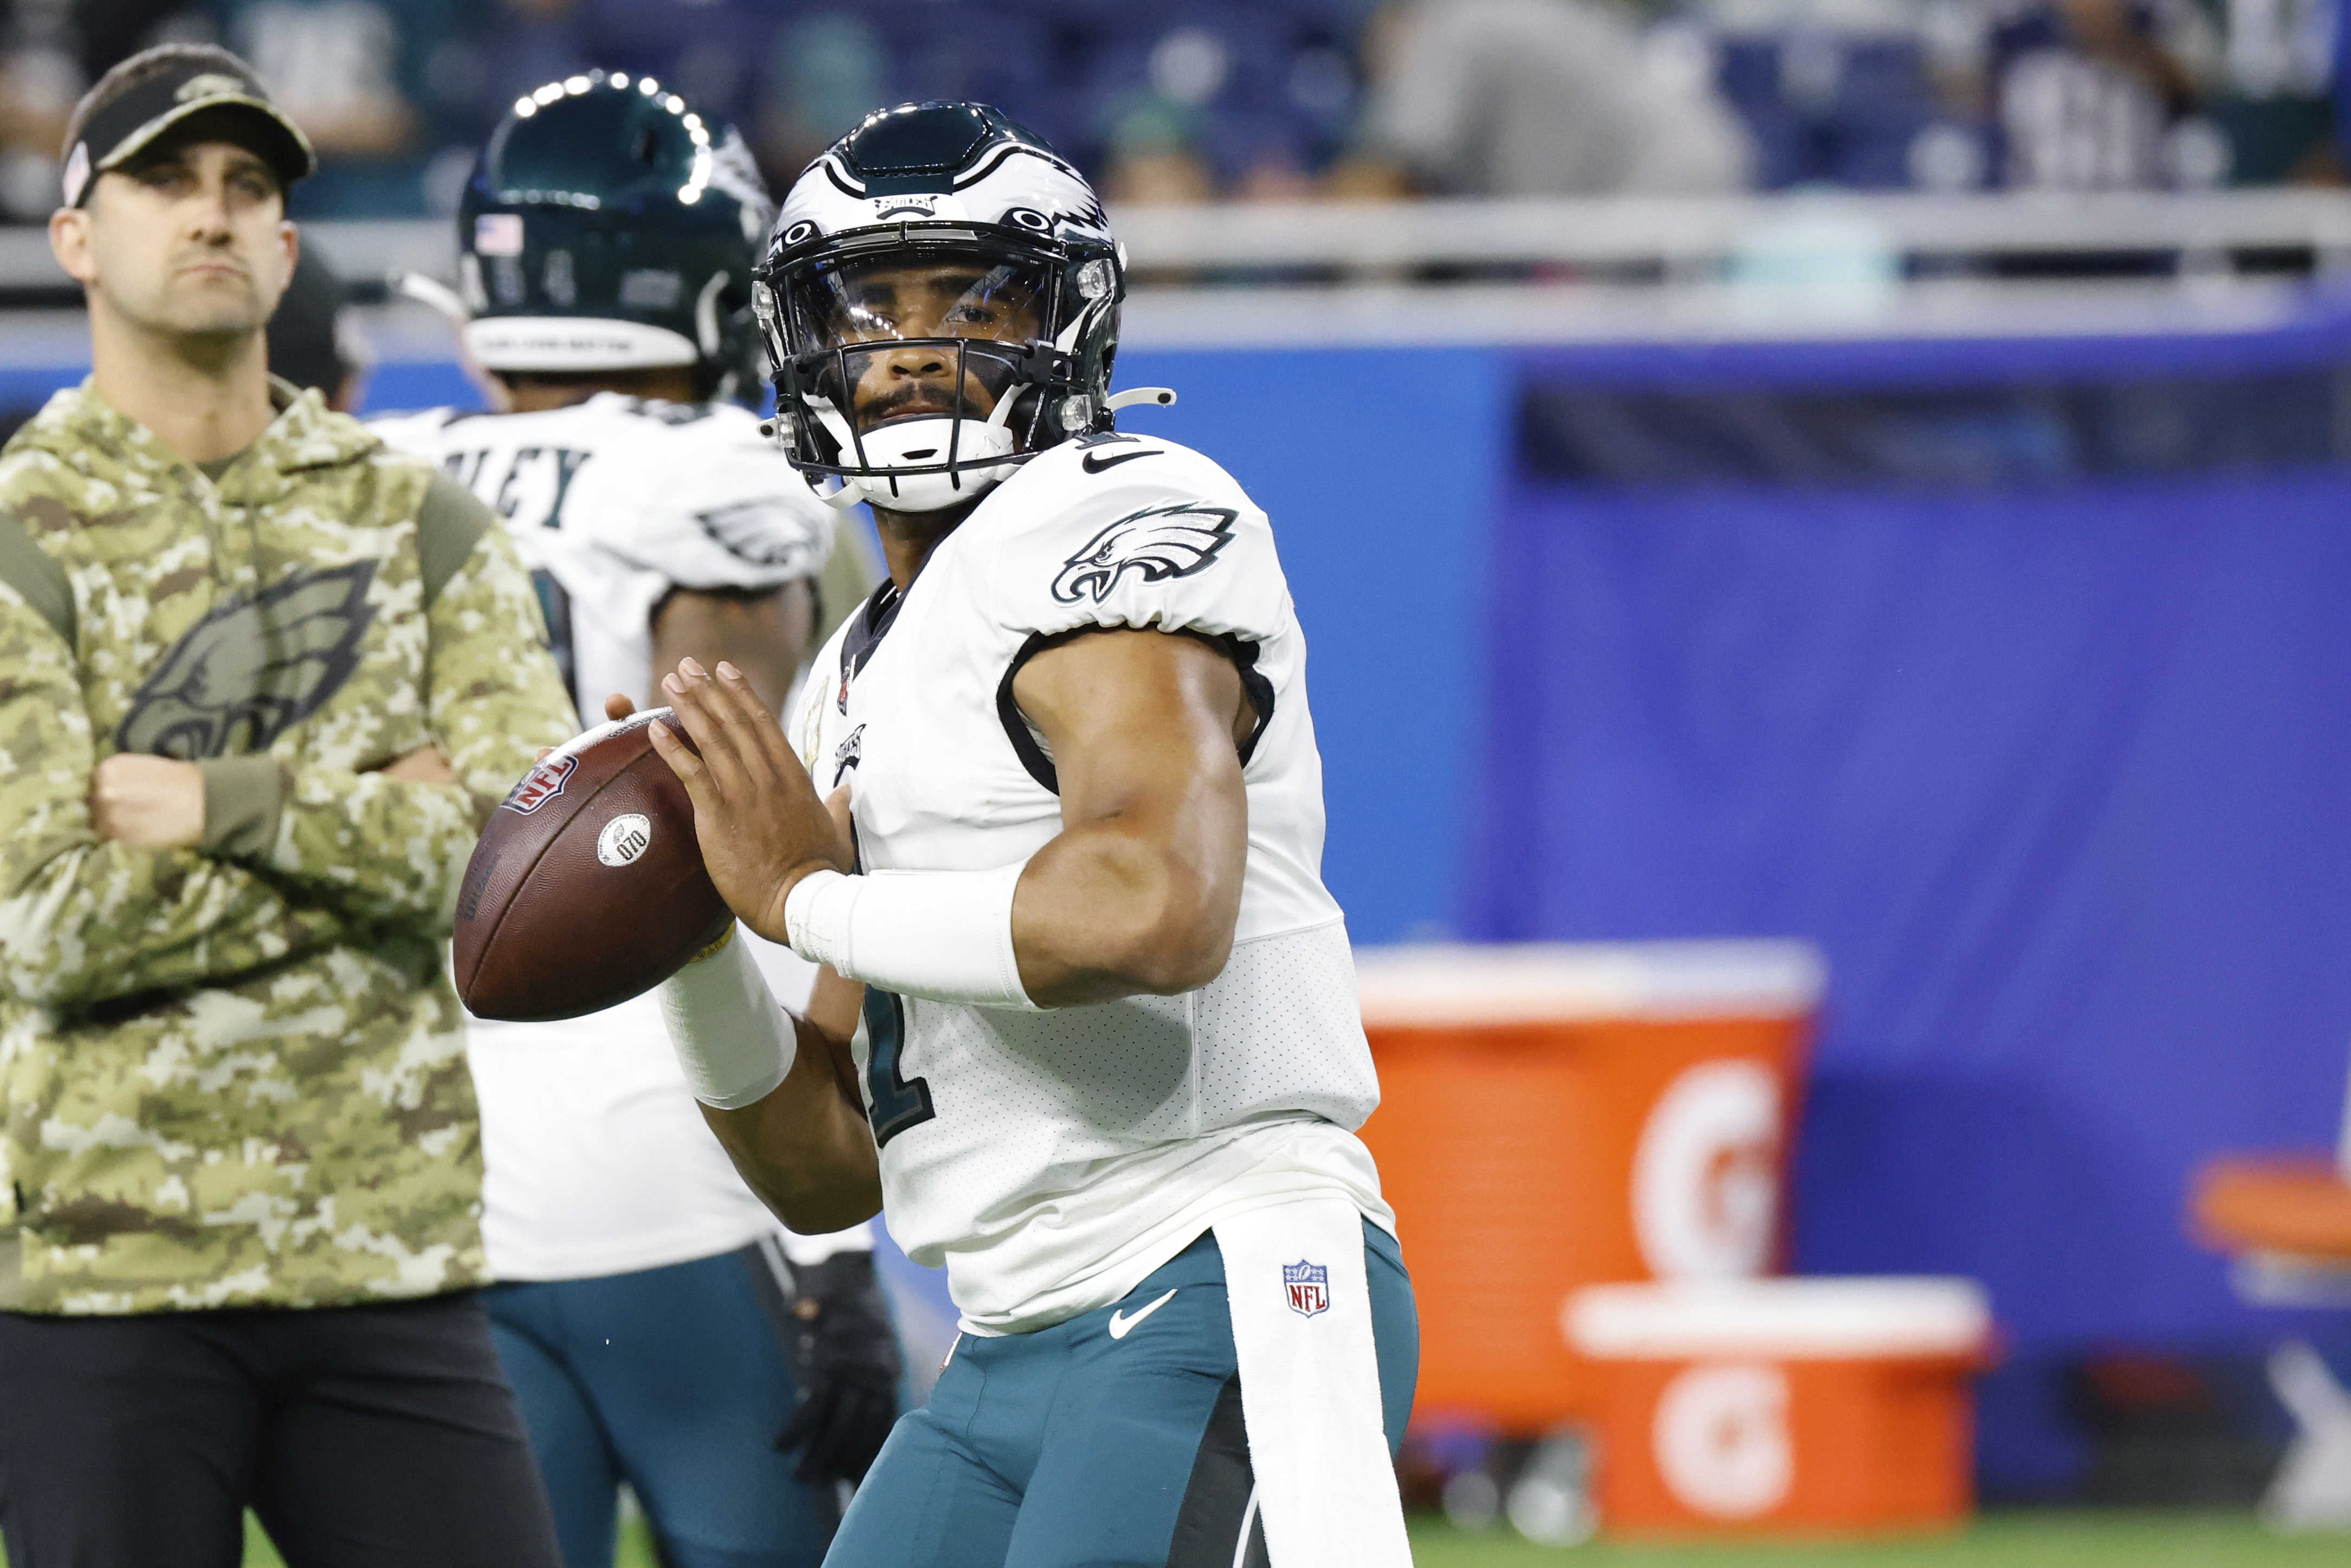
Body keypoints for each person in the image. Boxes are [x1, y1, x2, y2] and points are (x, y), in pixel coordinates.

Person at [645, 101, 1420, 1567]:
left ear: (1073, 325)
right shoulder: (845, 676)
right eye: (870, 305)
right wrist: (686, 946)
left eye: (975, 297)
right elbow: (826, 1165)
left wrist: (802, 895)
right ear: (799, 345)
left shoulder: (1122, 514)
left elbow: (1150, 912)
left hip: (1207, 1272)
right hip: (1004, 1335)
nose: (919, 345)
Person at [0, 43, 575, 1568]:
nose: (213, 213)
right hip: (103, 1282)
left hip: (389, 1264)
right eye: (168, 181)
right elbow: (47, 922)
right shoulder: (14, 529)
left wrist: (224, 802)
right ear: (78, 237)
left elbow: (537, 869)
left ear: (288, 244)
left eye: (249, 187)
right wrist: (376, 813)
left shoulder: (421, 520)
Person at [368, 72, 898, 1568]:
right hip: (688, 1155)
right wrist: (833, 1247)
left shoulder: (384, 472)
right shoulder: (724, 480)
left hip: (443, 1174)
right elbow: (726, 832)